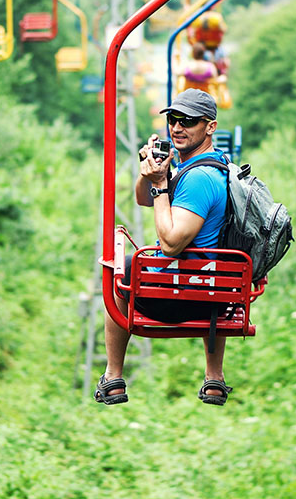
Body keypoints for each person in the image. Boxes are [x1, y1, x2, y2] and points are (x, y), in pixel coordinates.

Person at [95, 89, 235, 407]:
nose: (177, 127)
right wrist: (150, 175)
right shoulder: (211, 166)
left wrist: (161, 185)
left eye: (188, 121)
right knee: (135, 262)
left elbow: (171, 244)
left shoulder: (199, 179)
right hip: (212, 295)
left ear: (210, 127)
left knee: (120, 267)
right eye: (173, 119)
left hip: (178, 296)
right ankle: (214, 375)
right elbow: (145, 200)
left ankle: (113, 373)